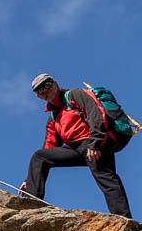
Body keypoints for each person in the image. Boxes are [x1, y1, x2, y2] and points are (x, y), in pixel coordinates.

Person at [18, 73, 132, 218]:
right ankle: (31, 203)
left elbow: (96, 114)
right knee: (40, 157)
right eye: (39, 91)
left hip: (94, 142)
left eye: (46, 85)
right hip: (75, 149)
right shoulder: (53, 118)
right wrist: (29, 181)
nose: (44, 91)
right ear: (38, 96)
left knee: (106, 179)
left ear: (55, 84)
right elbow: (49, 146)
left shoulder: (74, 95)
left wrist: (95, 143)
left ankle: (124, 219)